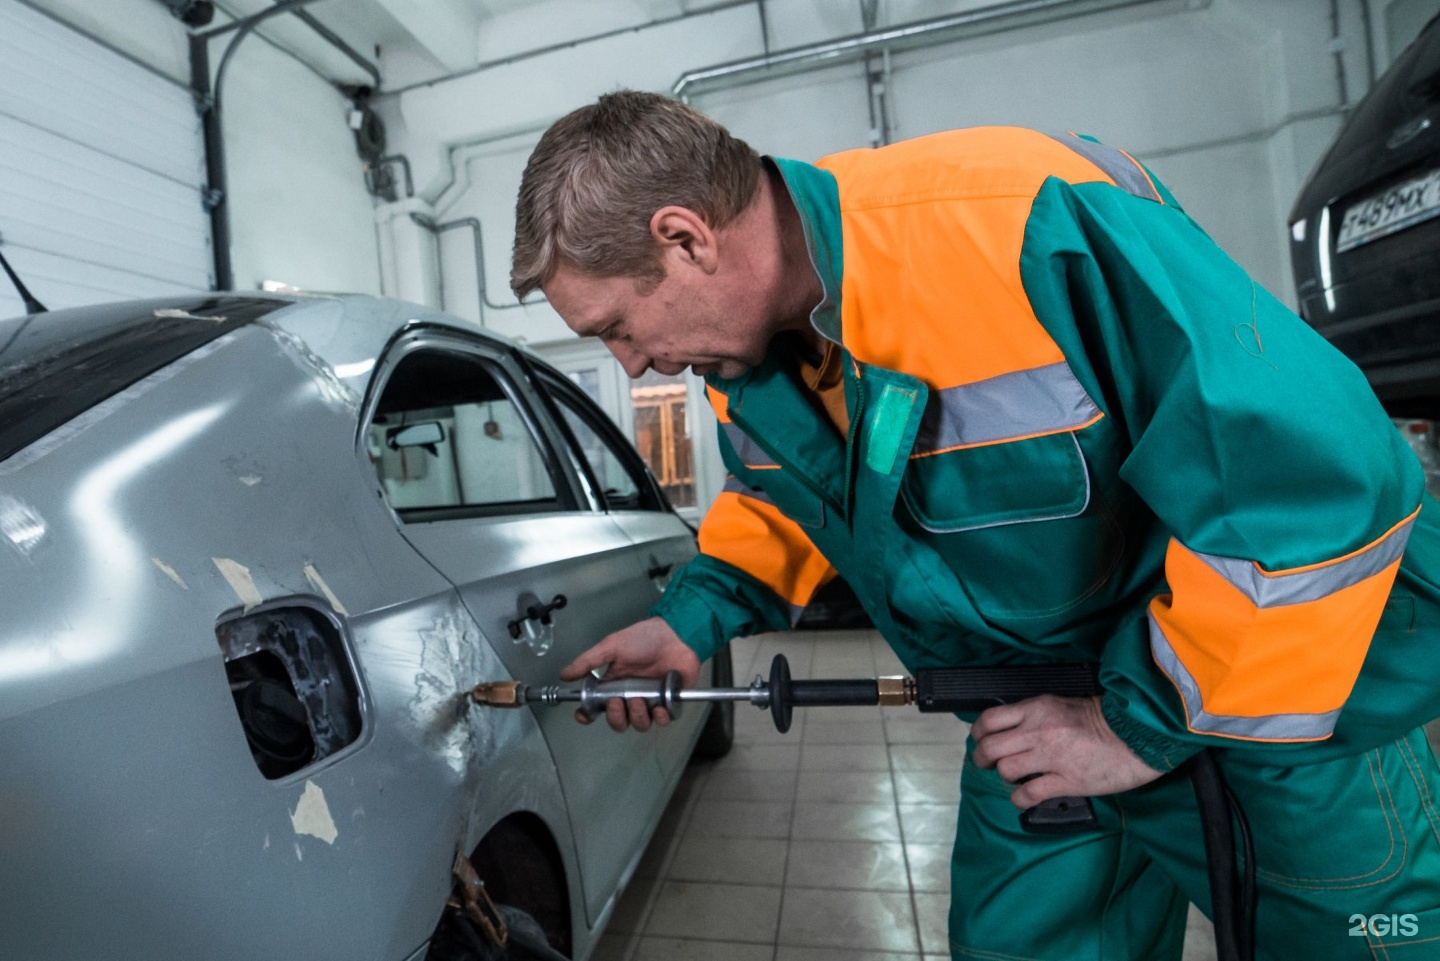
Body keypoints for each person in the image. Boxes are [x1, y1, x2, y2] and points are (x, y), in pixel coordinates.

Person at [510, 90, 1440, 959]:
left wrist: (1135, 724)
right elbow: (793, 503)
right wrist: (688, 621)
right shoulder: (750, 370)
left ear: (684, 239)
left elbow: (1309, 479)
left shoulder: (1018, 219)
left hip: (1257, 712)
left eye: (615, 328)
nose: (634, 368)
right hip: (1032, 722)